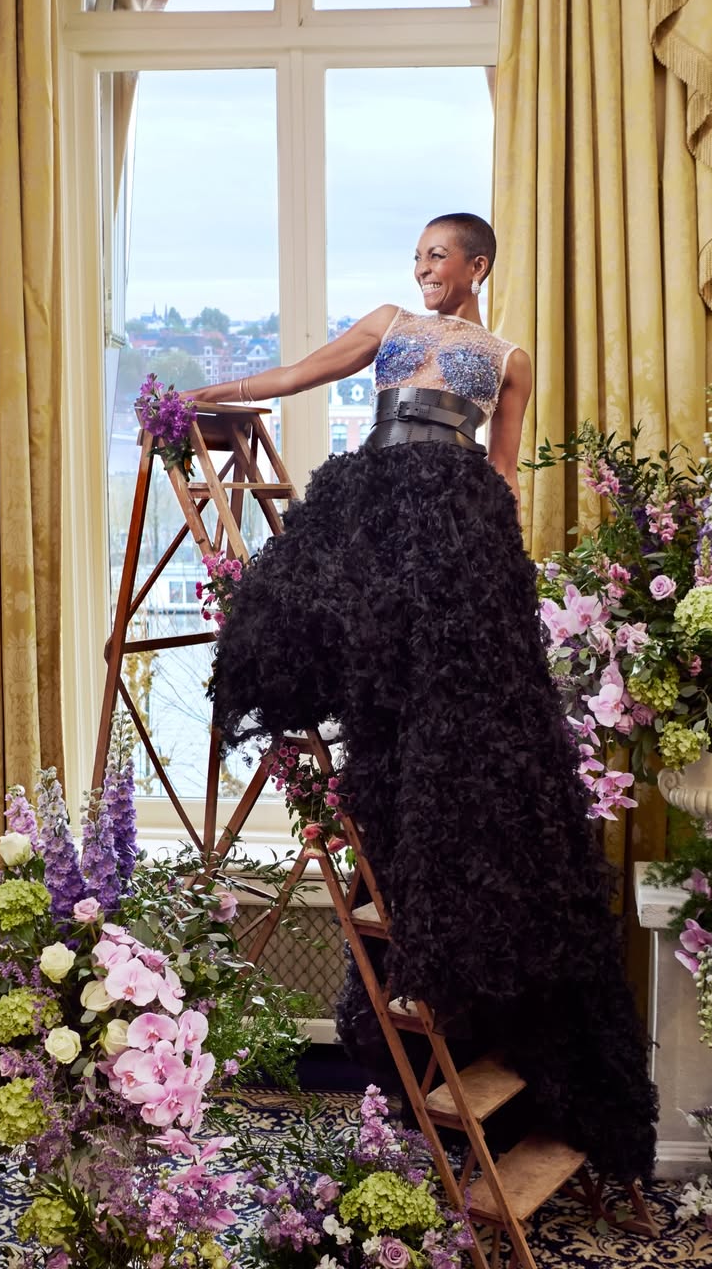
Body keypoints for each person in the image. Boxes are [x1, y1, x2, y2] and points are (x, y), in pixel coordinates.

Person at [195, 213, 658, 1184]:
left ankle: (470, 965)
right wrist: (208, 395)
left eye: (438, 257)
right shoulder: (390, 323)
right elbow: (301, 374)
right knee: (335, 654)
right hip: (378, 515)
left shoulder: (508, 359)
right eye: (417, 259)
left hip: (458, 536)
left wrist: (500, 574)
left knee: (458, 726)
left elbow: (504, 471)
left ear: (476, 264)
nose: (424, 271)